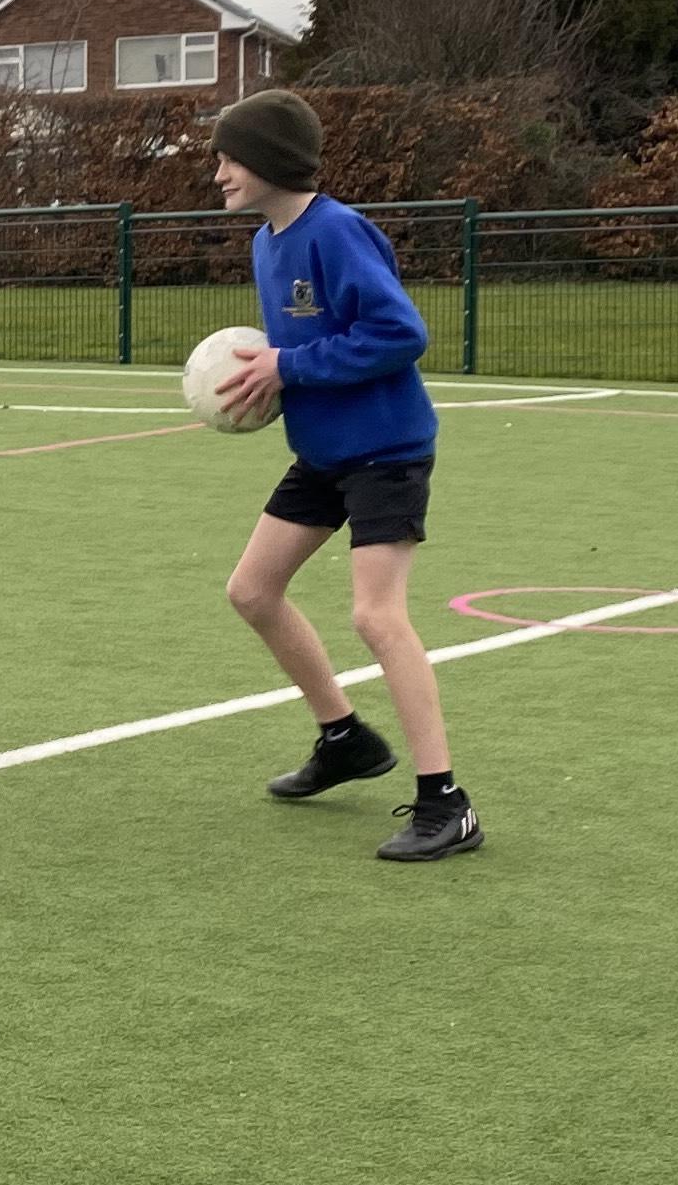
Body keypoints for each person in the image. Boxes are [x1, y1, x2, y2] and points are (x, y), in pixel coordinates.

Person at [204, 91, 480, 864]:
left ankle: (447, 803)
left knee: (377, 617)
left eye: (230, 158)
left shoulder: (336, 231)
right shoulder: (267, 243)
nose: (218, 173)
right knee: (252, 591)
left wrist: (289, 366)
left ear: (270, 160)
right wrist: (271, 380)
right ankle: (345, 738)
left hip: (387, 451)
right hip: (324, 454)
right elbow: (296, 355)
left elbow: (399, 334)